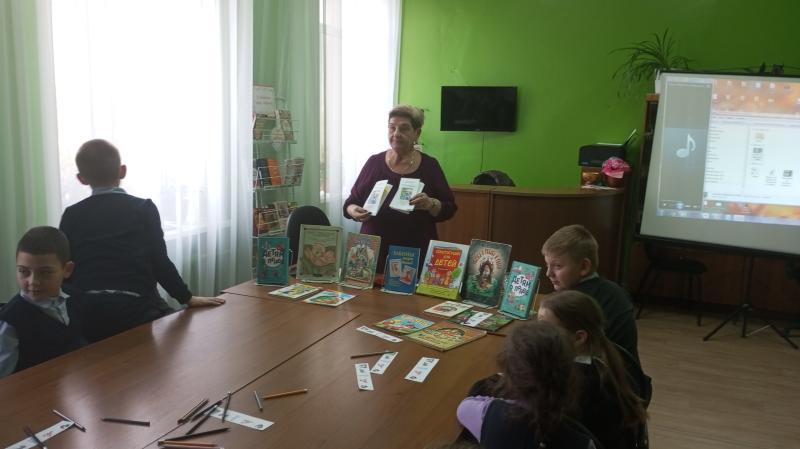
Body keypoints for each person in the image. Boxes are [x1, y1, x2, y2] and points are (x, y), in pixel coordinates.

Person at [59, 139, 224, 341]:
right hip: (135, 308)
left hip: (86, 311)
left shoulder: (71, 214)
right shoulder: (143, 208)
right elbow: (159, 261)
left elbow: (65, 268)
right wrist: (187, 298)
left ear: (81, 179)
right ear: (122, 171)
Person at [343, 105, 457, 273]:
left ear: (417, 133)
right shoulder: (374, 162)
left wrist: (431, 204)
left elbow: (449, 208)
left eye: (404, 128)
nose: (396, 133)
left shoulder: (430, 166)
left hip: (413, 255)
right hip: (372, 254)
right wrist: (354, 211)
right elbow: (351, 202)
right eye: (392, 127)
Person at [456, 321, 599, 449]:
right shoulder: (582, 442)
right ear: (571, 375)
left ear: (507, 372)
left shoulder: (487, 413)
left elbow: (464, 408)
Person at [539, 290, 649, 449]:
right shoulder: (604, 360)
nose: (536, 334)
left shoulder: (578, 385)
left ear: (579, 338)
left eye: (545, 329)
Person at [541, 224, 639, 361]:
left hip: (603, 372)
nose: (548, 273)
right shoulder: (611, 289)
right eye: (547, 265)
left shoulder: (576, 304)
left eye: (557, 266)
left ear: (584, 267)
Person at [0, 227, 89, 377]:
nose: (33, 281)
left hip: (71, 380)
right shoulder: (10, 320)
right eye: (24, 271)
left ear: (67, 270)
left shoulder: (75, 298)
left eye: (45, 272)